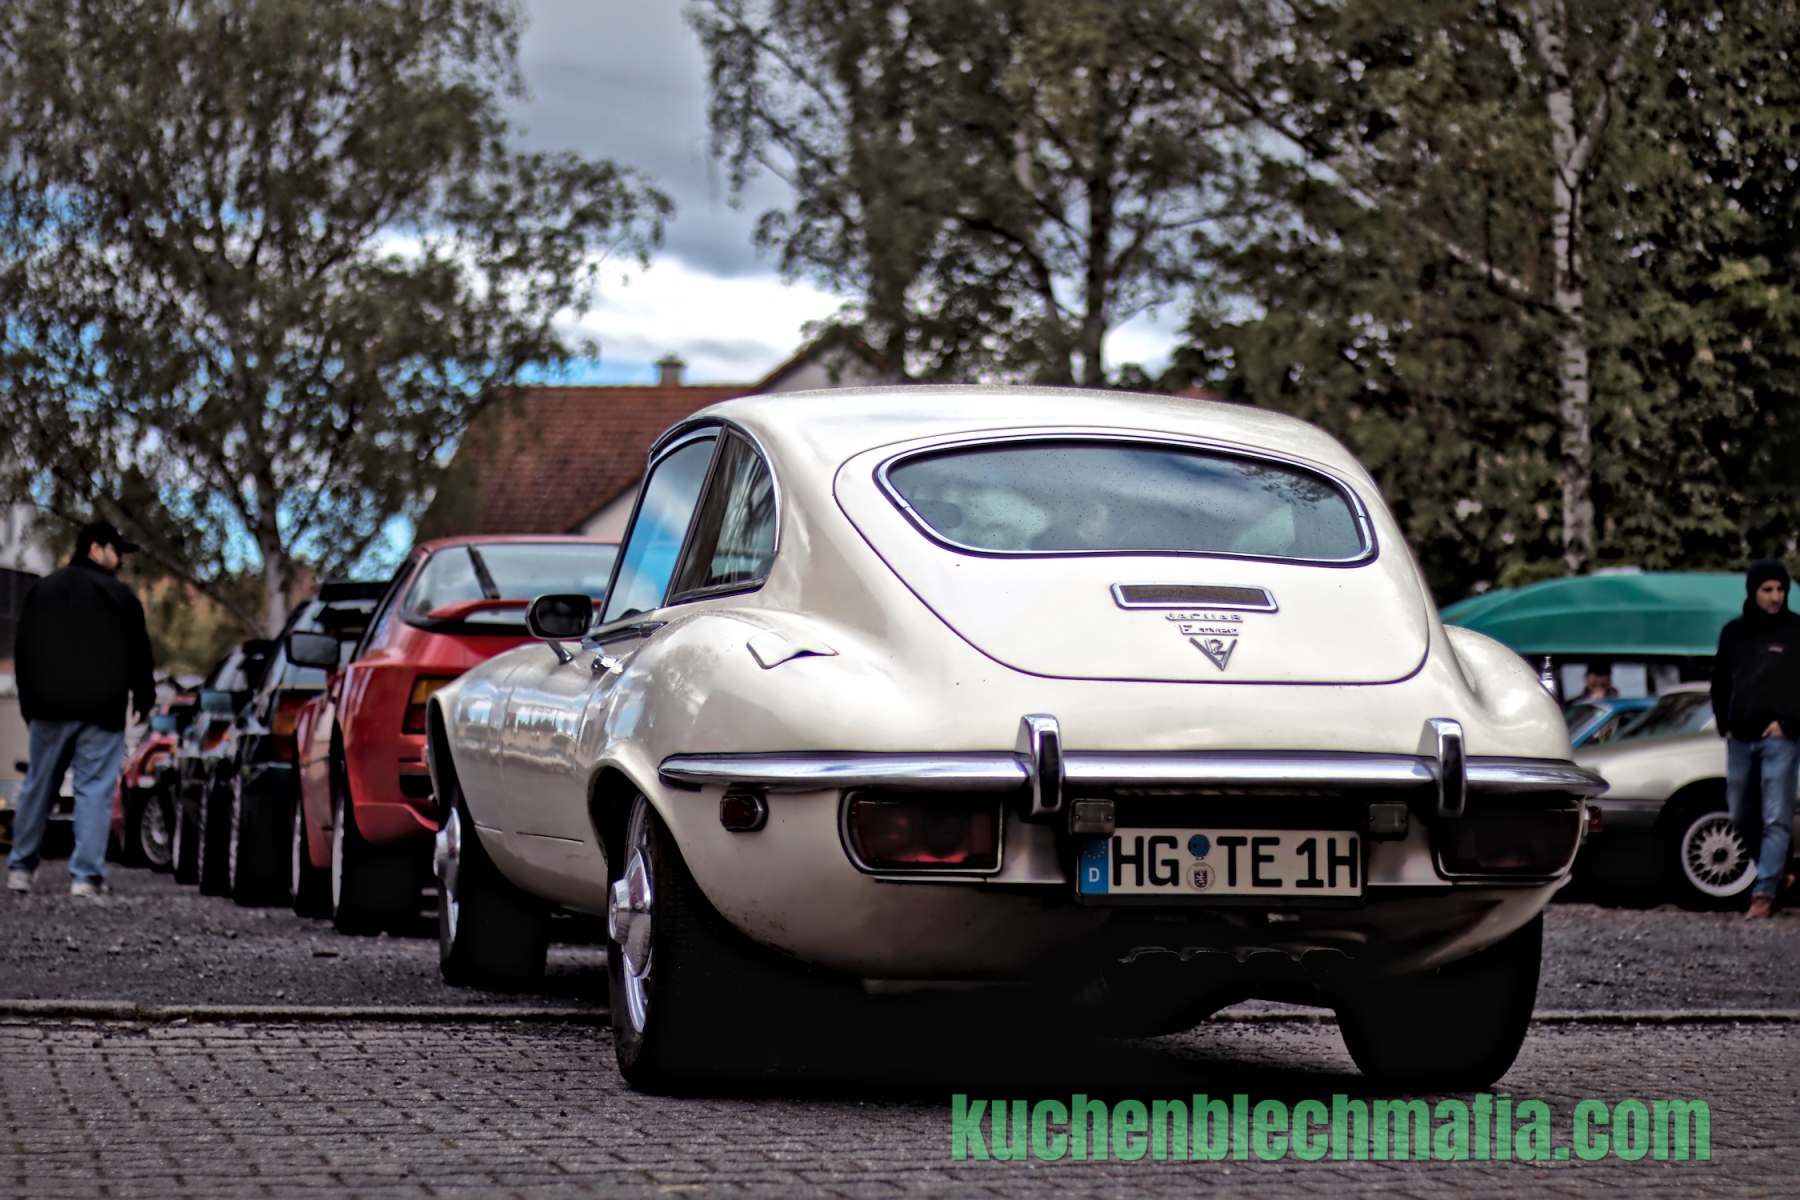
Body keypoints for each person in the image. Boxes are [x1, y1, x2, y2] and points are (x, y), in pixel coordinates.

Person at [7, 520, 155, 898]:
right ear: (95, 548)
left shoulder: (43, 591)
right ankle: (85, 877)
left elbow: (24, 650)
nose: (120, 560)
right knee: (94, 790)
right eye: (116, 551)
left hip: (49, 708)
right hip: (102, 711)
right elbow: (140, 653)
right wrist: (144, 697)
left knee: (39, 786)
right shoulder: (120, 596)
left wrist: (29, 706)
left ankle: (21, 869)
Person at [1710, 558, 1800, 918]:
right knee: (1739, 812)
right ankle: (1779, 875)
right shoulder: (1734, 632)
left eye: (1780, 589)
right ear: (1753, 592)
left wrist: (1787, 723)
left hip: (1780, 738)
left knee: (1775, 815)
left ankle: (1763, 893)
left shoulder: (1796, 630)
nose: (1775, 596)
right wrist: (1725, 724)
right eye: (1768, 590)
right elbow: (1720, 680)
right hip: (1739, 738)